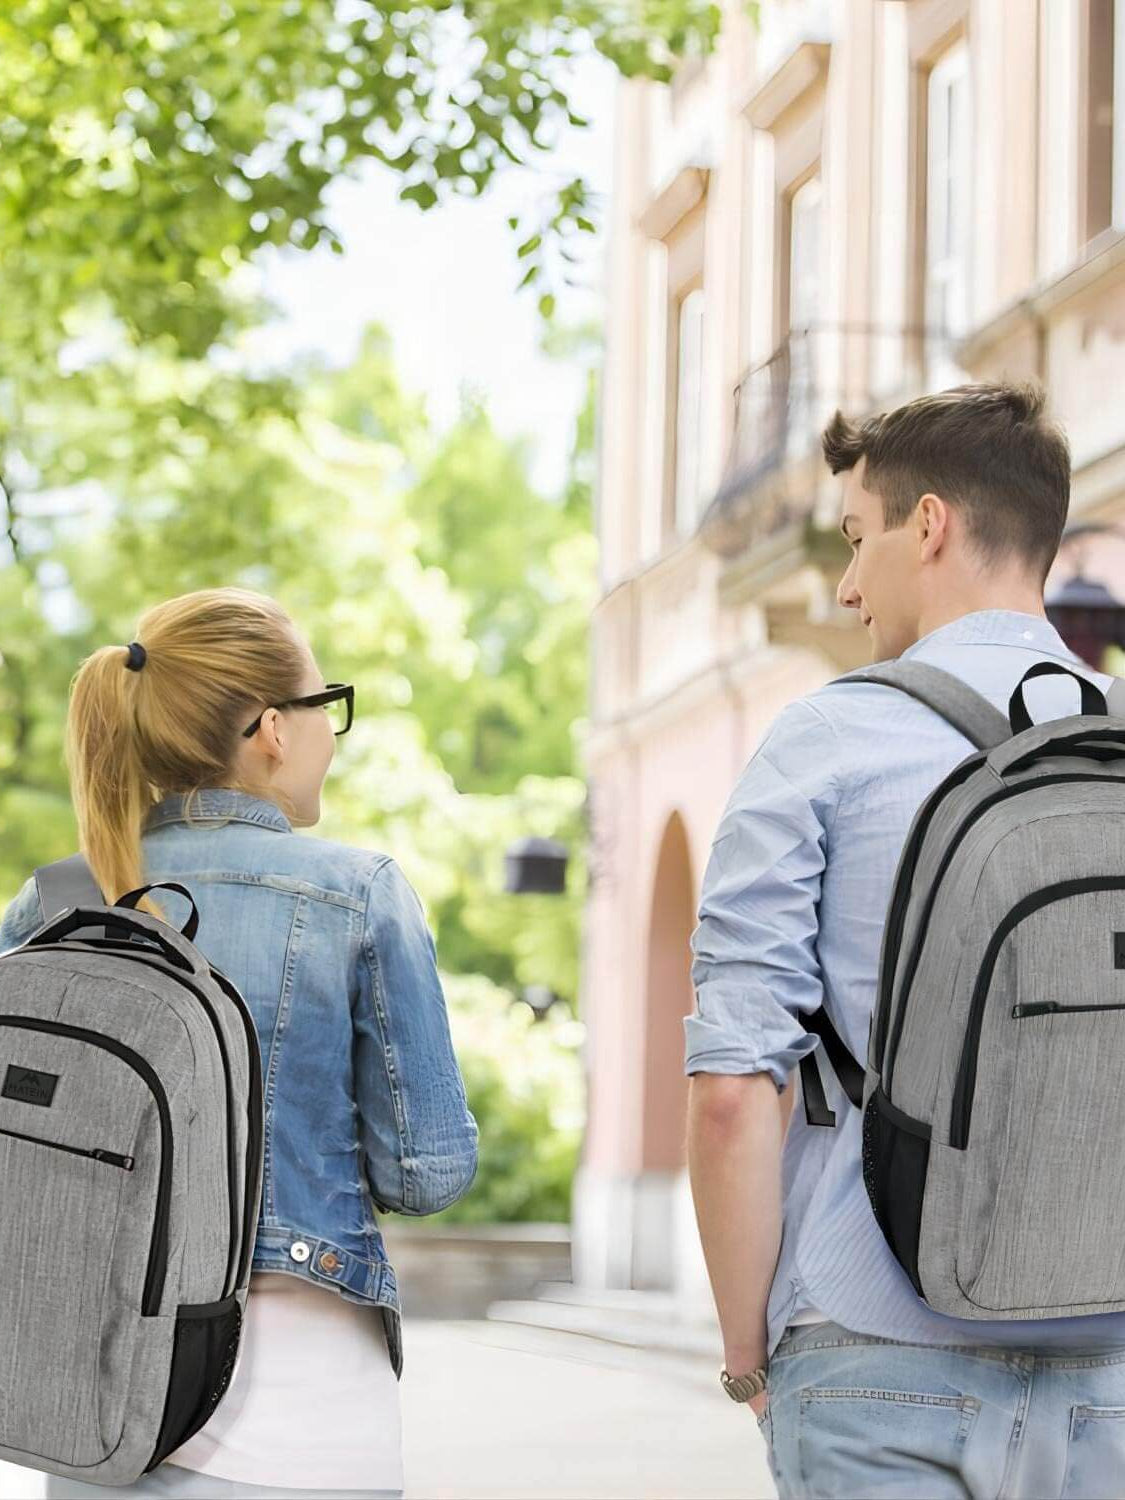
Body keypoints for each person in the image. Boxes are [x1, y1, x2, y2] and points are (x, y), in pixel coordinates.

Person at [685, 383, 1125, 1499]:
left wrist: (748, 1359)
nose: (843, 582)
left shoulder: (824, 738)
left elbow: (736, 1087)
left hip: (872, 1346)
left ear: (927, 525)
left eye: (855, 535)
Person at [0, 585, 479, 1499]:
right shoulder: (359, 891)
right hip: (303, 1423)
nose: (330, 733)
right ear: (271, 727)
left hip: (98, 1421)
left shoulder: (56, 901)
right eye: (324, 707)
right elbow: (426, 1173)